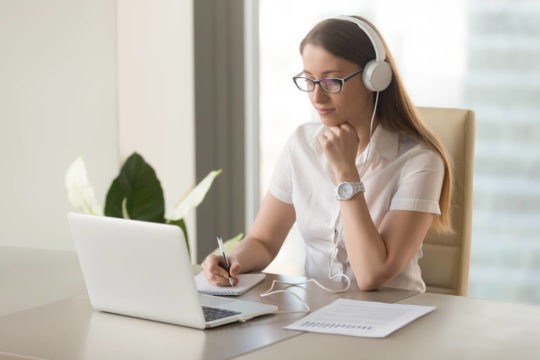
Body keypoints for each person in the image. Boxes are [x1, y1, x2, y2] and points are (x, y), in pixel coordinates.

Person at [202, 15, 453, 292]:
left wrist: (346, 172)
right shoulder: (301, 144)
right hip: (316, 313)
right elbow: (263, 241)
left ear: (375, 79)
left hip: (393, 319)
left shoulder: (420, 161)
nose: (317, 98)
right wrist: (232, 260)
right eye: (309, 81)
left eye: (332, 82)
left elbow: (372, 275)